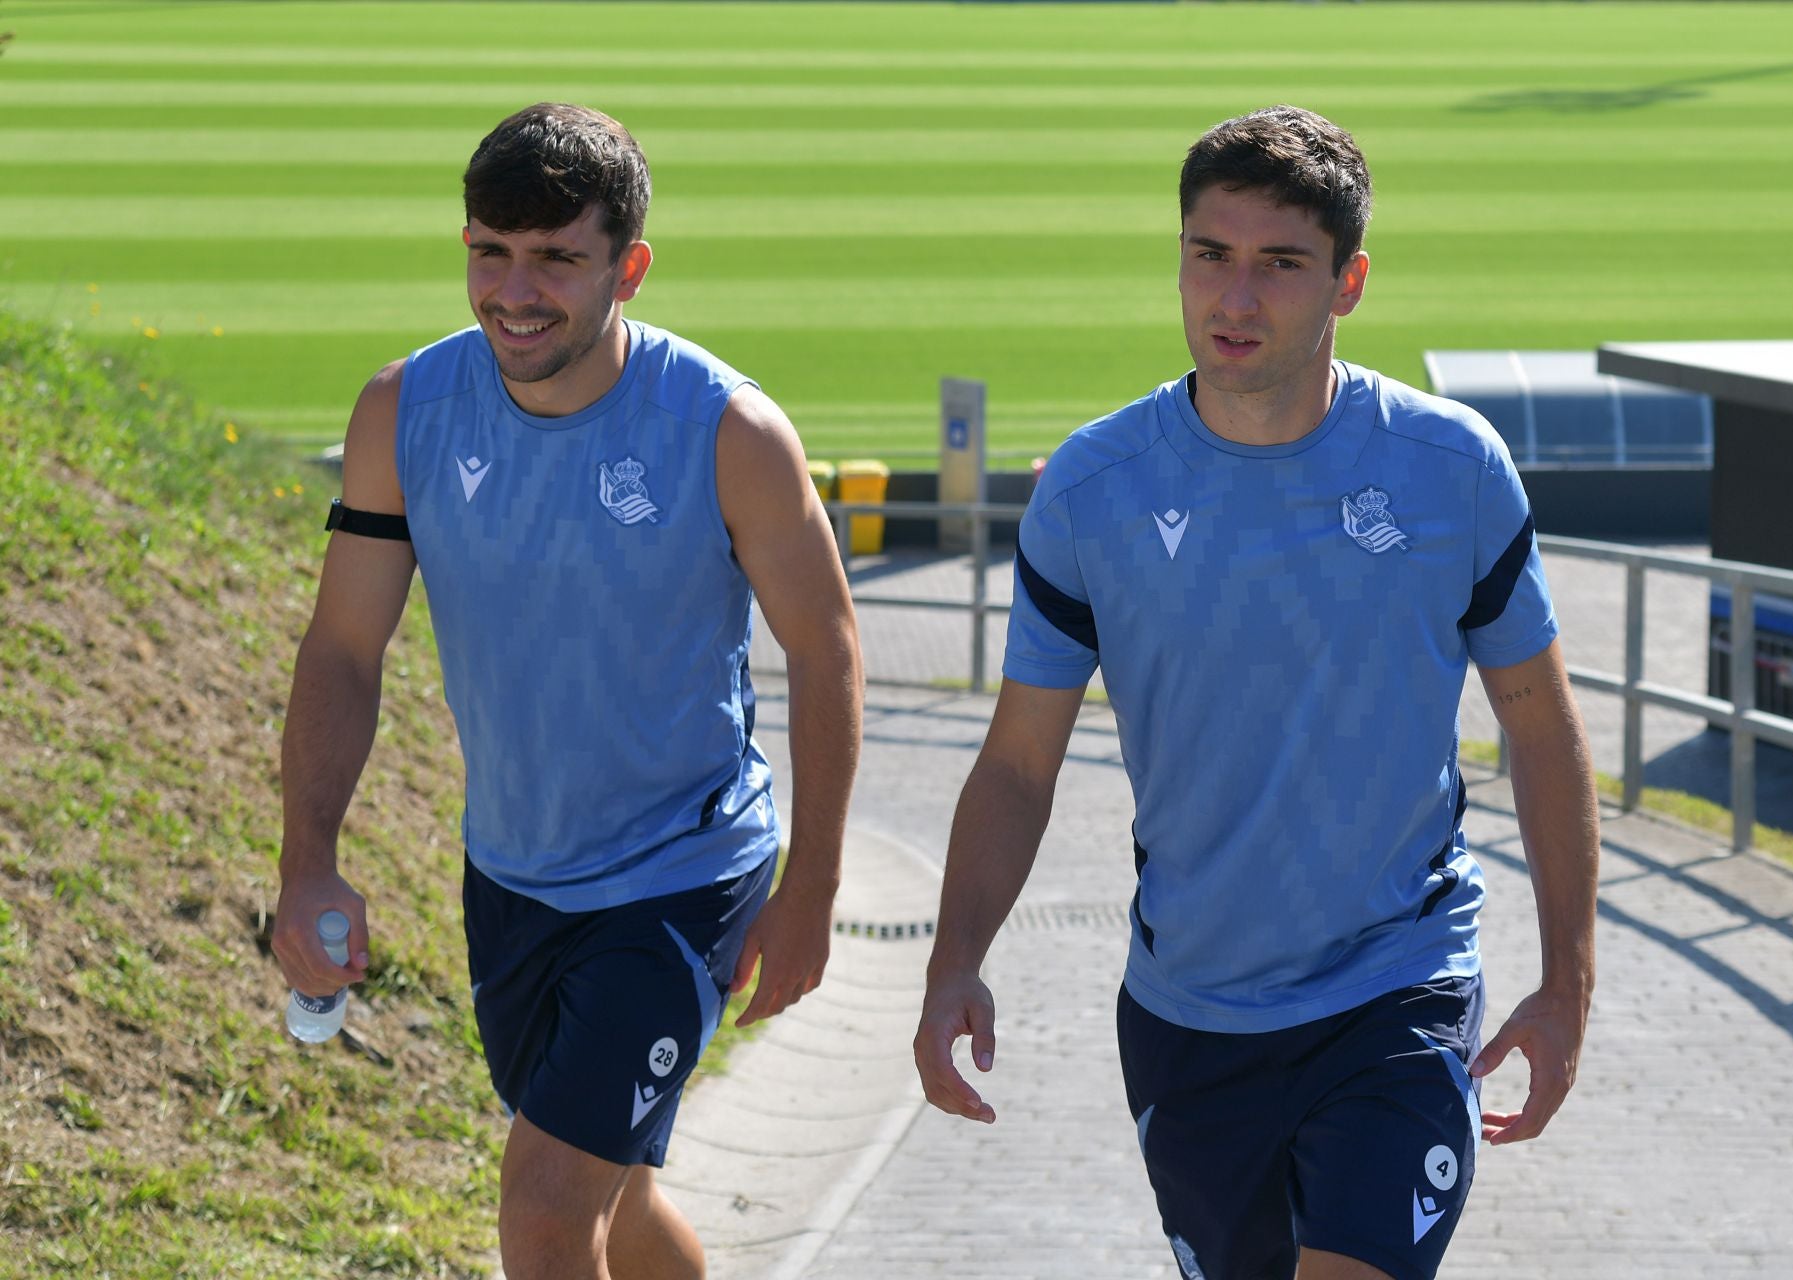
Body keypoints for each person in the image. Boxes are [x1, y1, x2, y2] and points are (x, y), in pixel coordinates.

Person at [914, 105, 1598, 1280]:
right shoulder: (1092, 489)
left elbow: (1541, 731)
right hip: (1192, 1018)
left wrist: (1567, 983)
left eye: (1280, 264)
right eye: (1210, 256)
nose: (1236, 298)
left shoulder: (1452, 469)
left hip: (1400, 984)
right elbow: (1021, 763)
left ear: (1349, 282)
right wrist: (953, 959)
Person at [271, 102, 862, 1280]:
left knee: (544, 1206)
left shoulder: (727, 429)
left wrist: (812, 890)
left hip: (683, 877)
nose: (514, 289)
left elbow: (826, 646)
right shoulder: (406, 412)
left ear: (628, 267)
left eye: (556, 256)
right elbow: (344, 646)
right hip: (514, 878)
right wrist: (308, 857)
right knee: (616, 1196)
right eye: (491, 249)